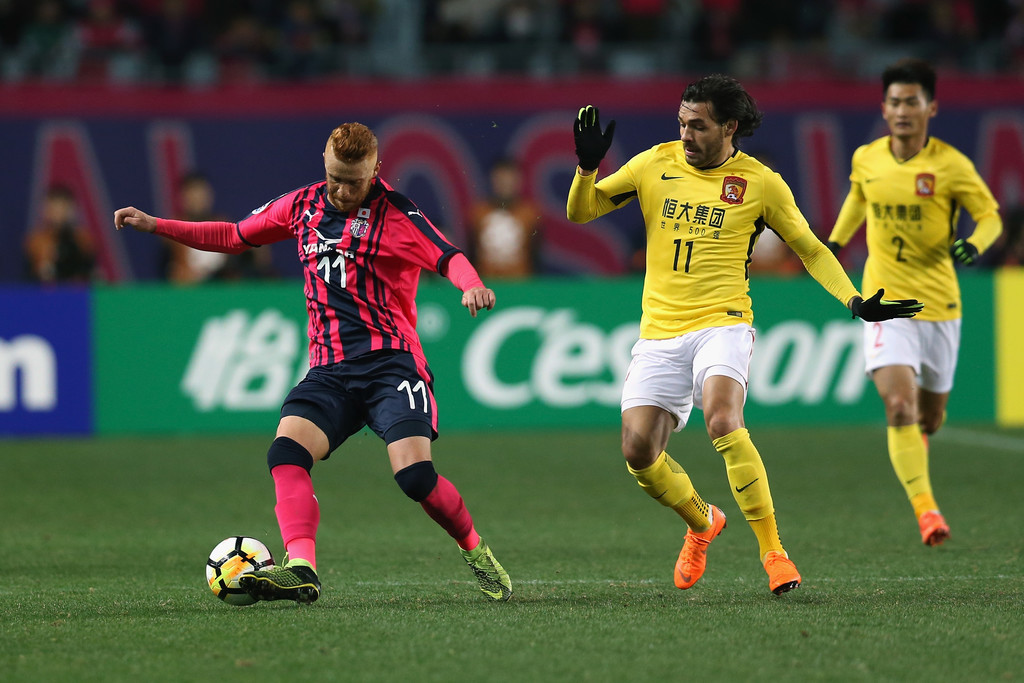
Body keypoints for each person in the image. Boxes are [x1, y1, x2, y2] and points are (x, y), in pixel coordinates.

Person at [114, 122, 512, 604]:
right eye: (335, 178)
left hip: (392, 366)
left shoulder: (398, 216)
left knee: (415, 478)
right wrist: (158, 224)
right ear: (324, 165)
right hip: (330, 371)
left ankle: (474, 549)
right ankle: (301, 566)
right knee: (285, 453)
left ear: (375, 171)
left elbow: (447, 256)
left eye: (355, 181)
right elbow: (234, 235)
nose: (343, 191)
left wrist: (470, 284)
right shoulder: (301, 206)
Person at [566, 76, 923, 595]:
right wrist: (586, 169)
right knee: (637, 451)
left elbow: (811, 248)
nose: (686, 135)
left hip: (724, 321)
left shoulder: (759, 183)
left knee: (722, 418)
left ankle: (773, 551)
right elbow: (583, 211)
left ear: (729, 127)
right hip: (660, 330)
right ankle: (702, 522)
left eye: (699, 125)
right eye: (682, 123)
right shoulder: (653, 163)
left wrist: (854, 299)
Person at [827, 58, 1002, 547]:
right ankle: (927, 512)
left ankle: (919, 447)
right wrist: (836, 243)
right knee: (899, 404)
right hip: (885, 299)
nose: (902, 111)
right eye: (895, 102)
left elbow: (989, 215)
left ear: (932, 107)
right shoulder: (867, 158)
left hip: (940, 305)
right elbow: (859, 197)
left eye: (912, 102)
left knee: (930, 418)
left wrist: (976, 244)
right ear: (883, 108)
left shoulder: (950, 165)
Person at [467, 157, 542, 278]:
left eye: (509, 179)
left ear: (518, 181)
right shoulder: (478, 213)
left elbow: (535, 257)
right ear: (492, 180)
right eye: (500, 180)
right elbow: (471, 255)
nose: (505, 184)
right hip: (486, 285)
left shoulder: (530, 214)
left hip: (521, 285)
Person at [24, 185, 96, 283]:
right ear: (46, 211)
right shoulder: (36, 242)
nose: (59, 213)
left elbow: (91, 273)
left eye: (64, 207)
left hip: (78, 294)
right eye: (55, 207)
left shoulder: (83, 240)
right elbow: (28, 280)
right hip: (46, 295)